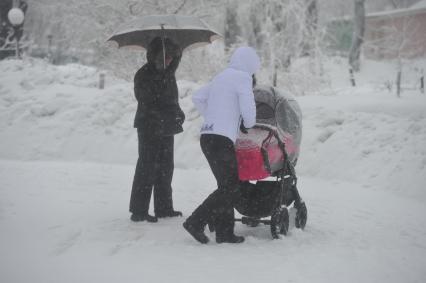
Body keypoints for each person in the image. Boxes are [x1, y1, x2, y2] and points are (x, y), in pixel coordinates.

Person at [183, 47, 260, 244]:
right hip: (221, 140)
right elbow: (249, 114)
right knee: (232, 187)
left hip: (207, 137)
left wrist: (212, 116)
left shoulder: (222, 76)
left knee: (226, 186)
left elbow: (198, 97)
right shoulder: (243, 78)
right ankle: (195, 221)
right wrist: (246, 123)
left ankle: (225, 232)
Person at [129, 37, 185, 222]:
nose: (169, 60)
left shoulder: (168, 74)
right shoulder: (144, 74)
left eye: (172, 57)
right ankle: (139, 211)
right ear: (156, 56)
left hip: (166, 128)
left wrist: (177, 113)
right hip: (149, 127)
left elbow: (171, 100)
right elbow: (146, 101)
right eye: (166, 56)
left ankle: (164, 207)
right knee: (147, 167)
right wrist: (163, 114)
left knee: (165, 168)